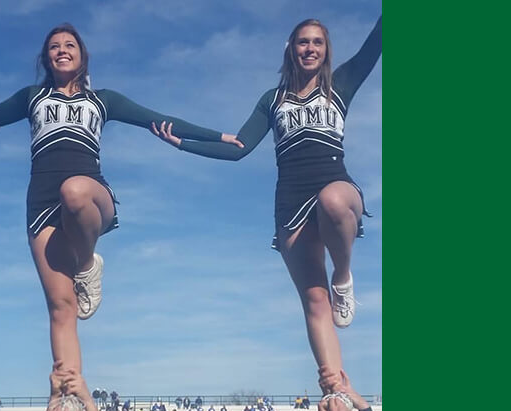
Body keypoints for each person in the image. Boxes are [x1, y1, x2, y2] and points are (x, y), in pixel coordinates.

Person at [0, 24, 241, 376]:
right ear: (45, 58)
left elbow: (159, 120)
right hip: (40, 202)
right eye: (54, 46)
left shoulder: (103, 100)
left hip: (91, 195)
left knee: (74, 191)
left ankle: (85, 265)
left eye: (69, 45)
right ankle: (67, 396)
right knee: (61, 308)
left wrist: (218, 136)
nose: (62, 50)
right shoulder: (31, 97)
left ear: (82, 55)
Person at [153, 16, 382, 380]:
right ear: (291, 49)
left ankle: (342, 275)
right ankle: (335, 386)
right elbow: (239, 149)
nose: (310, 49)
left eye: (317, 43)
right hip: (290, 201)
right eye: (303, 42)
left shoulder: (341, 83)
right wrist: (182, 143)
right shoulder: (272, 100)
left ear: (326, 51)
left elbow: (376, 40)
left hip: (335, 183)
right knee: (314, 300)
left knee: (334, 201)